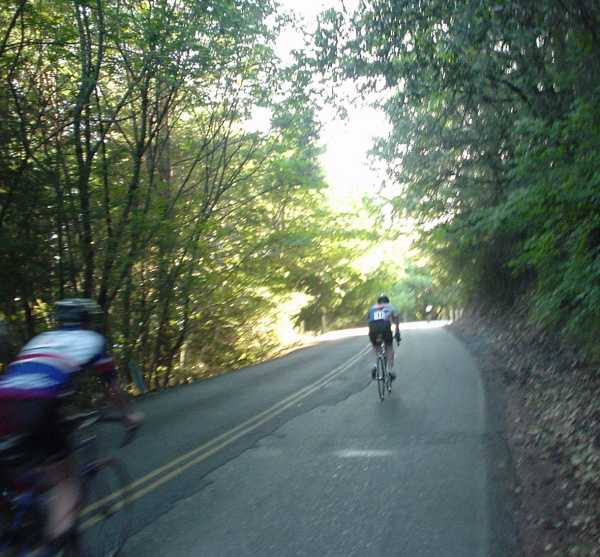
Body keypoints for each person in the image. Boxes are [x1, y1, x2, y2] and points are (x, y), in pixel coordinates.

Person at [0, 298, 143, 554]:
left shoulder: (41, 339)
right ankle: (58, 544)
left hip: (5, 399)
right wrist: (129, 415)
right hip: (39, 403)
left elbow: (38, 379)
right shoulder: (93, 340)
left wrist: (67, 414)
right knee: (64, 481)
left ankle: (17, 522)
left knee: (20, 467)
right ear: (87, 321)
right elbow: (113, 389)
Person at [367, 294, 401, 381]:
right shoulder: (390, 306)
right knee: (389, 348)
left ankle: (375, 366)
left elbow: (369, 321)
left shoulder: (372, 308)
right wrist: (397, 332)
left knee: (376, 347)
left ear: (378, 302)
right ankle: (389, 371)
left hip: (373, 329)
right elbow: (396, 320)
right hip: (385, 328)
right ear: (387, 301)